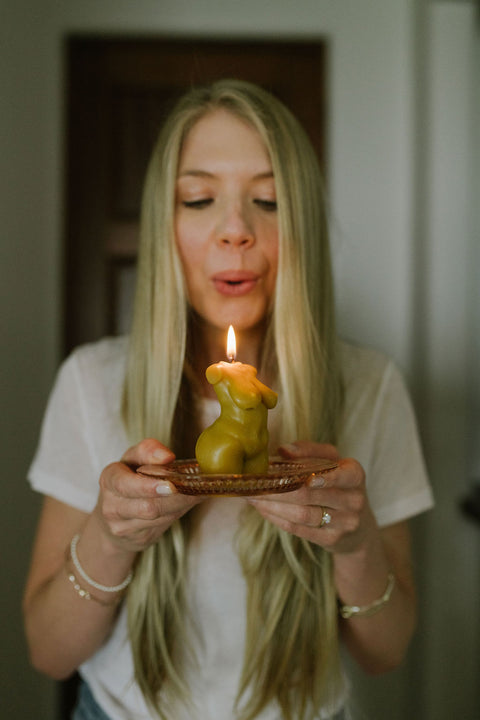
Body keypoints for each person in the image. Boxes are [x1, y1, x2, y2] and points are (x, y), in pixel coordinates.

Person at [23, 79, 434, 720]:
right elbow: (48, 655)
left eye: (267, 200)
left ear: (301, 226)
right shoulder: (90, 381)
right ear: (167, 222)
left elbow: (386, 654)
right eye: (200, 197)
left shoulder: (371, 385)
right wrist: (111, 535)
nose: (235, 229)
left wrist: (355, 545)